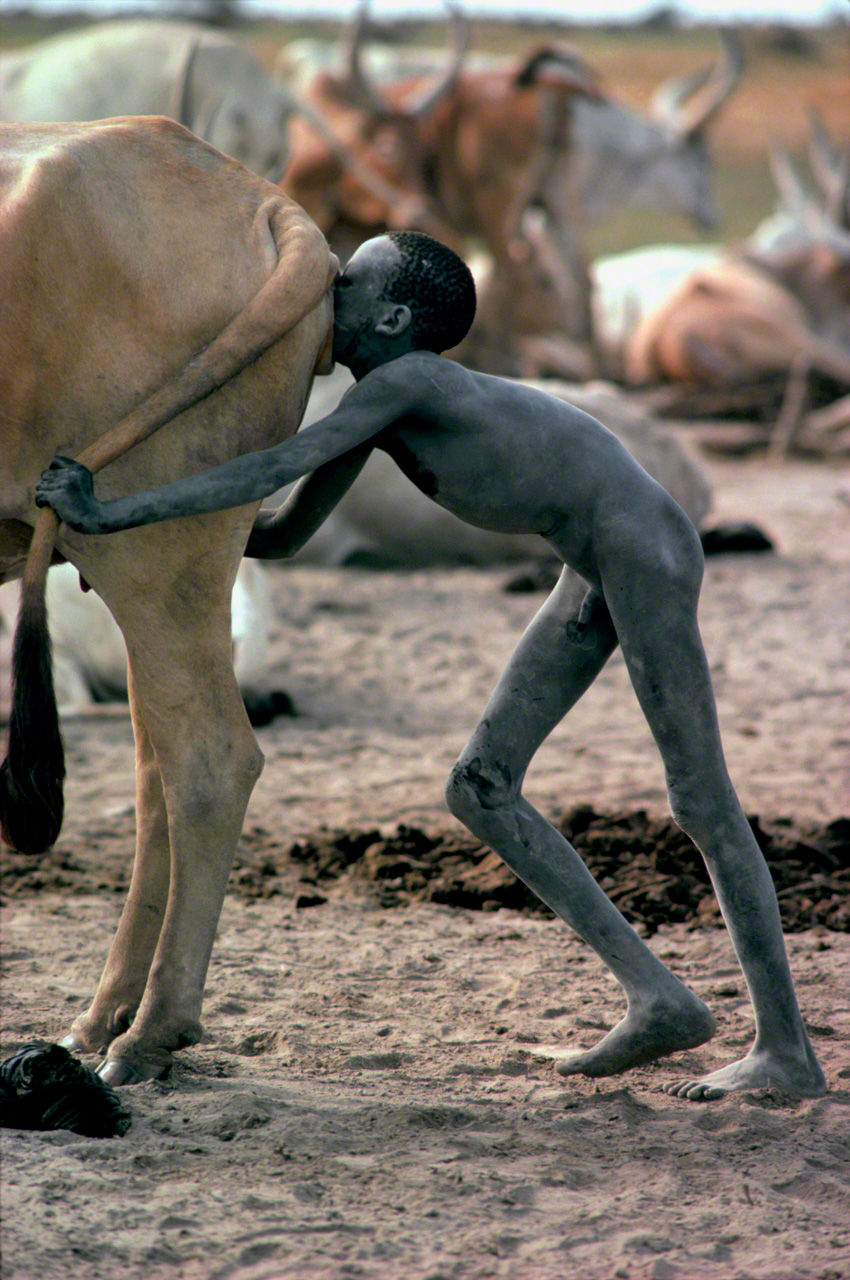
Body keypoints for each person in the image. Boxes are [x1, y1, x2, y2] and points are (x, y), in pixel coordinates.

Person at [36, 231, 826, 1100]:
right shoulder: (381, 404)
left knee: (699, 797)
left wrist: (111, 511)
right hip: (592, 557)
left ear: (394, 316)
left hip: (644, 546)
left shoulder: (412, 381)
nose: (324, 291)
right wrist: (137, 542)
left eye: (345, 282)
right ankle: (659, 999)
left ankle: (784, 1051)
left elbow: (274, 463)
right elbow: (286, 532)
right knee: (479, 787)